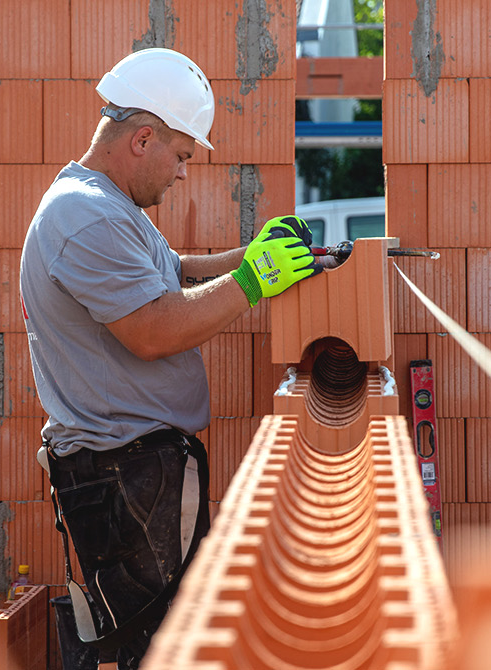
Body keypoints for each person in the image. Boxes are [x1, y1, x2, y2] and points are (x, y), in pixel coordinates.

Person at [18, 48, 324, 670]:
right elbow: (154, 328)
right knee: (161, 649)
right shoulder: (84, 216)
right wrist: (254, 281)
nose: (183, 174)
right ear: (143, 138)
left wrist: (253, 256)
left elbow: (171, 275)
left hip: (137, 471)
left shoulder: (106, 204)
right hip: (120, 478)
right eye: (181, 157)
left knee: (175, 640)